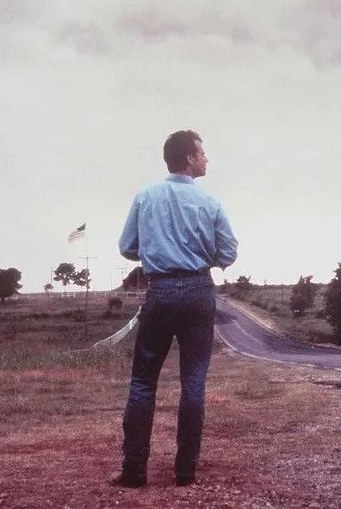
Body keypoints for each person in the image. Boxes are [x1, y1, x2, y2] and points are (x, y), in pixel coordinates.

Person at [112, 130, 238, 488]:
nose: (206, 159)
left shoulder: (145, 197)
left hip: (161, 289)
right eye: (202, 153)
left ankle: (134, 470)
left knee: (142, 381)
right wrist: (200, 255)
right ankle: (185, 471)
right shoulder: (210, 204)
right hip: (199, 290)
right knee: (193, 382)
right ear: (187, 159)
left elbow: (126, 246)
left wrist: (158, 250)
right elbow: (228, 253)